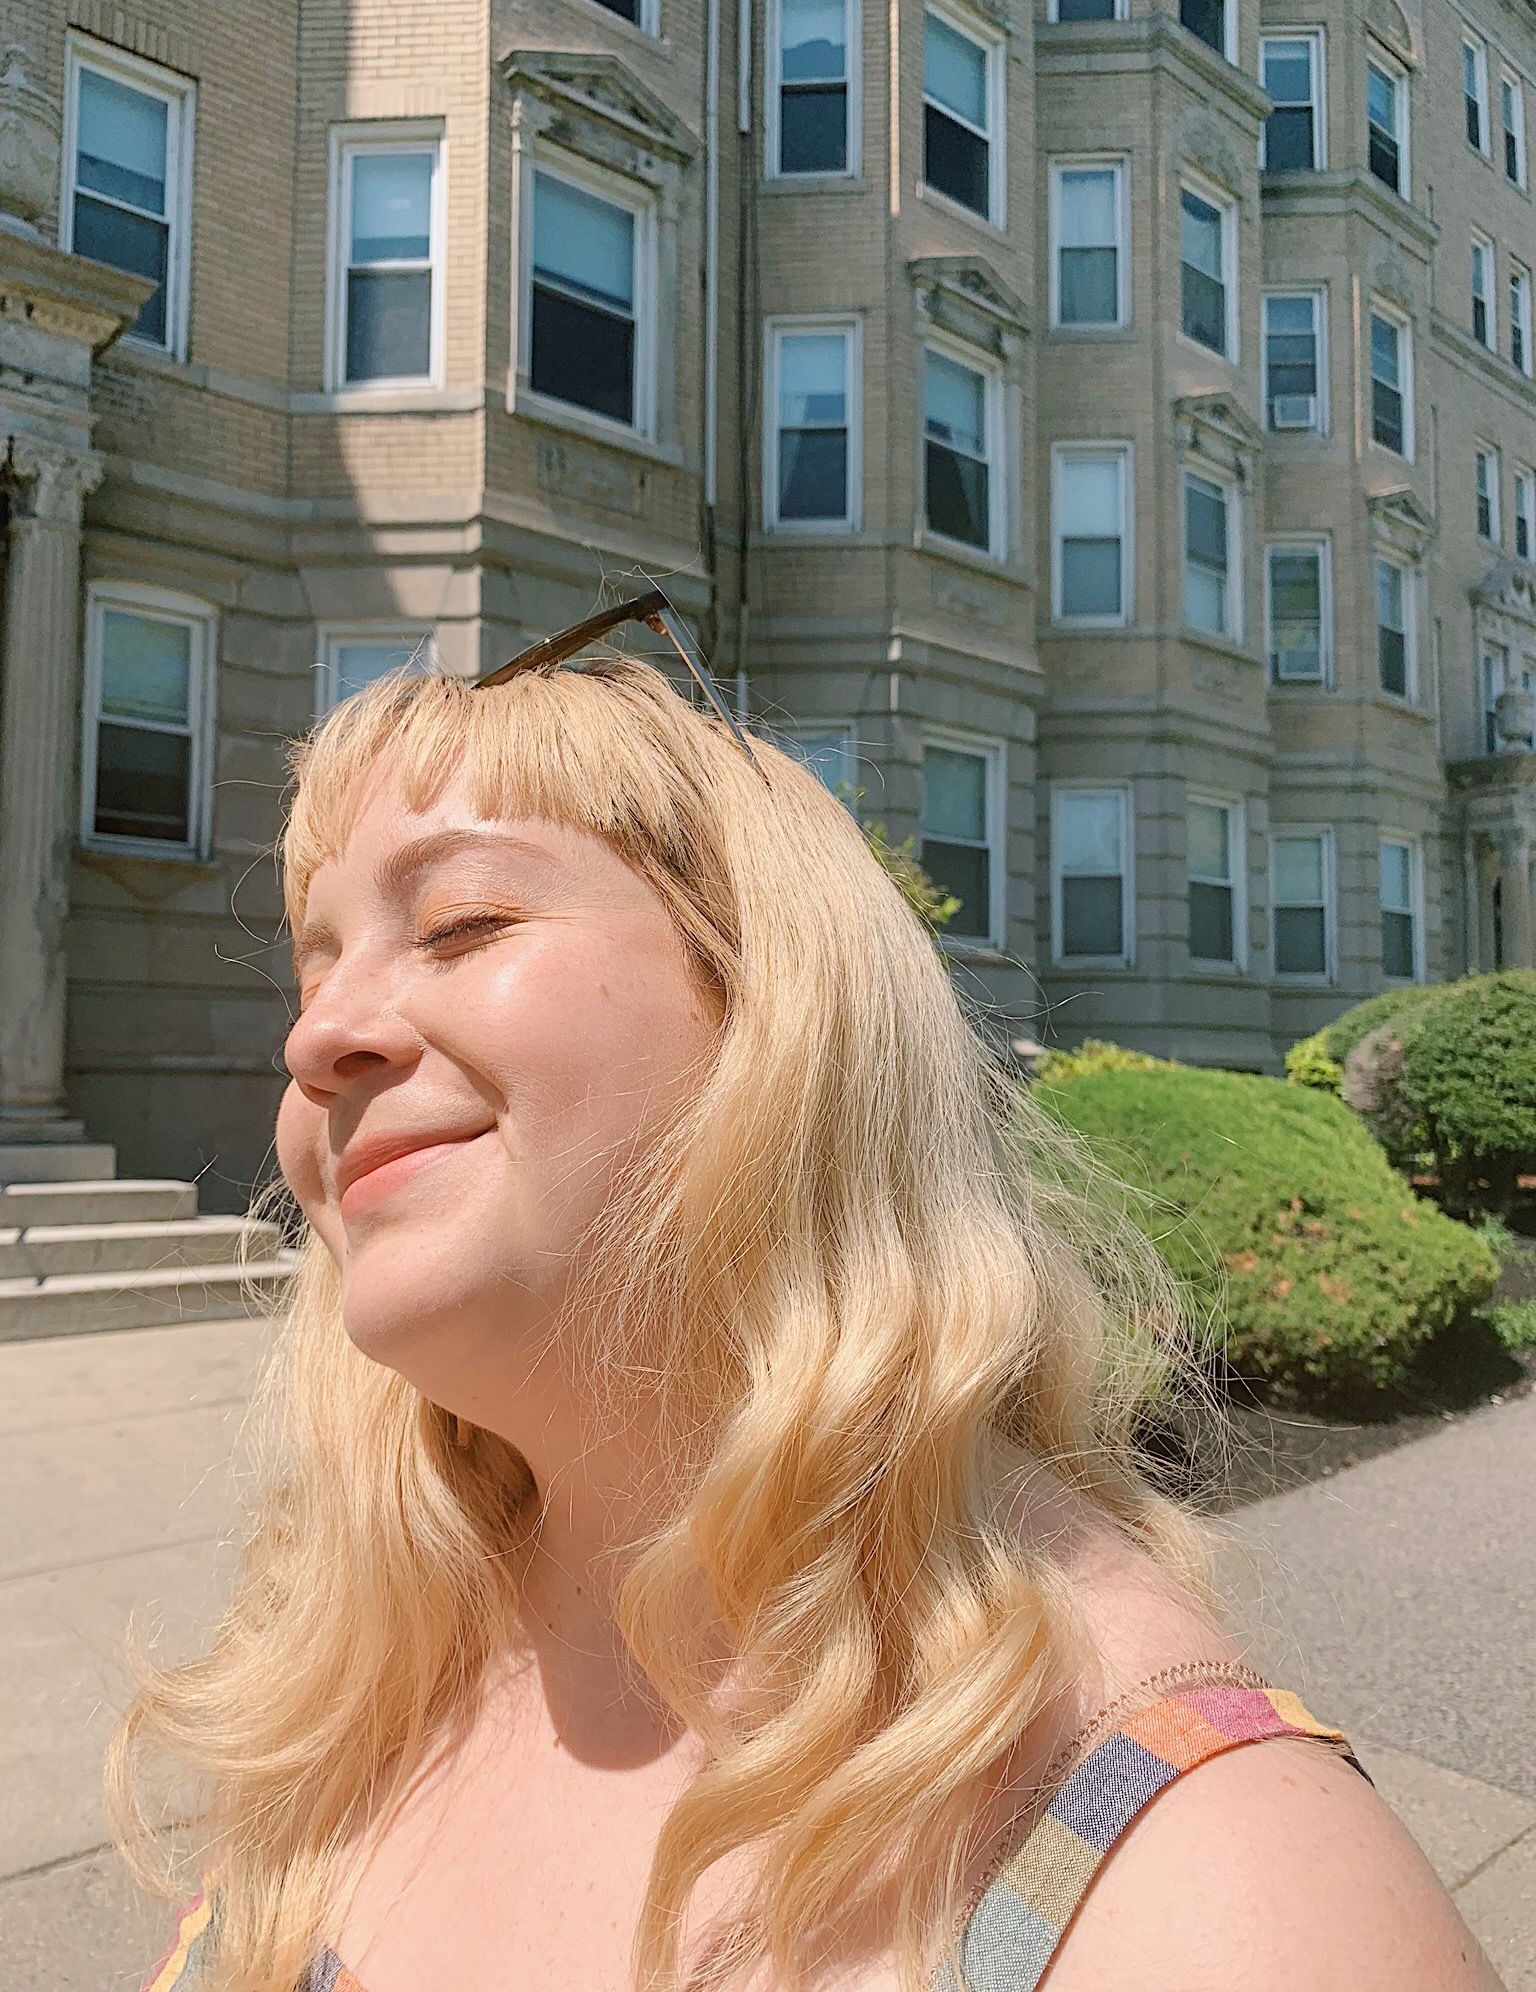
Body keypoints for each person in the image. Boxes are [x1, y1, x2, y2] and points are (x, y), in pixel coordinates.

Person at [115, 637, 1504, 1992]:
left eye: (463, 923)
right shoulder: (355, 1681)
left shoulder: (1220, 1892)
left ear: (774, 999)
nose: (315, 1039)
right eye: (314, 971)